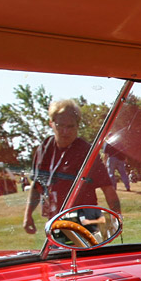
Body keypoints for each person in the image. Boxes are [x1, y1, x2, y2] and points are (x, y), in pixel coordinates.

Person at [22, 99, 120, 235]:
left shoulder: (86, 152)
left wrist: (117, 218)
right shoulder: (45, 148)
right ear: (51, 124)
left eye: (70, 126)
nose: (65, 131)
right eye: (60, 125)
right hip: (55, 220)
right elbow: (37, 184)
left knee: (83, 255)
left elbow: (107, 188)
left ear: (78, 126)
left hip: (85, 222)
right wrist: (27, 216)